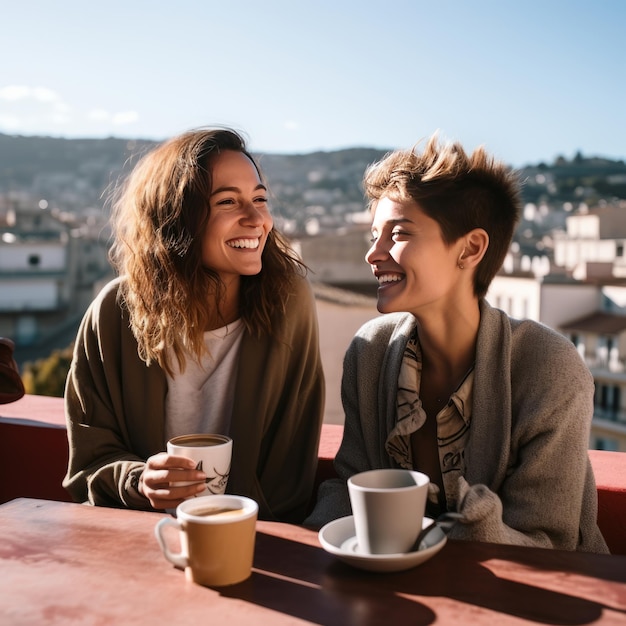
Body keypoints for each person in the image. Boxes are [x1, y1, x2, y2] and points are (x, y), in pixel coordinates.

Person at [306, 133, 609, 553]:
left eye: (398, 233)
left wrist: (471, 526)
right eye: (374, 235)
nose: (372, 254)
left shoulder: (548, 367)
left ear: (470, 248)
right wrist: (307, 551)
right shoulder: (370, 351)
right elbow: (350, 484)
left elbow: (548, 542)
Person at [63, 127, 325, 523]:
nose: (257, 219)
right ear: (177, 218)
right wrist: (139, 481)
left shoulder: (288, 303)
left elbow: (291, 466)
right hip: (140, 544)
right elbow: (89, 463)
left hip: (257, 546)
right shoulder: (114, 314)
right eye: (227, 202)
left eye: (259, 199)